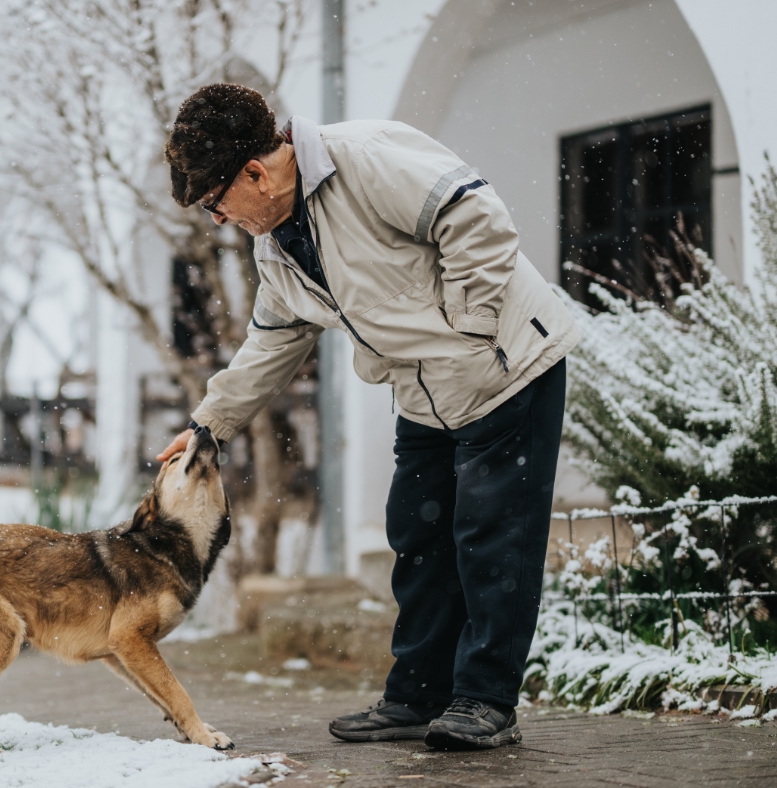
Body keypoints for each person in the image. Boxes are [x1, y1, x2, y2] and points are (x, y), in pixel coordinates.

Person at [156, 84, 581, 750]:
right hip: (423, 391)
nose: (218, 220)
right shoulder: (277, 244)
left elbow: (477, 217)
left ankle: (485, 701)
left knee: (491, 542)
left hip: (506, 370)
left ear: (256, 173)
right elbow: (275, 338)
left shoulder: (367, 157)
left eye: (216, 203)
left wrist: (468, 332)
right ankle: (416, 697)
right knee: (417, 537)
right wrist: (212, 423)